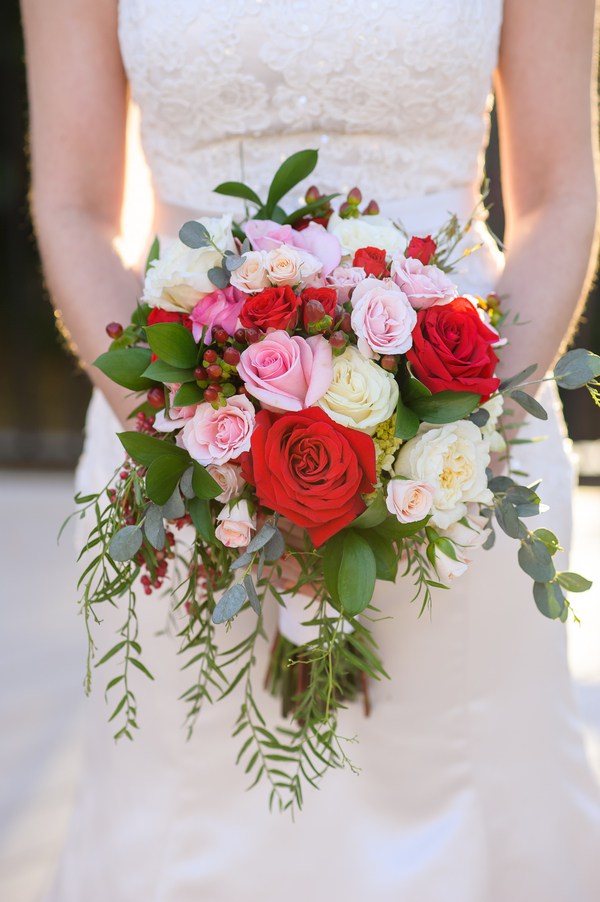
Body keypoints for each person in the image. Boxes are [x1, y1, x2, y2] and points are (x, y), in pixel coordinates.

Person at [21, 1, 600, 899]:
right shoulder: (187, 448)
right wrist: (204, 456)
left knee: (481, 806)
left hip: (468, 454)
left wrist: (454, 443)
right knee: (187, 819)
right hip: (177, 447)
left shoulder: (463, 447)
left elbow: (562, 195)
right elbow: (71, 206)